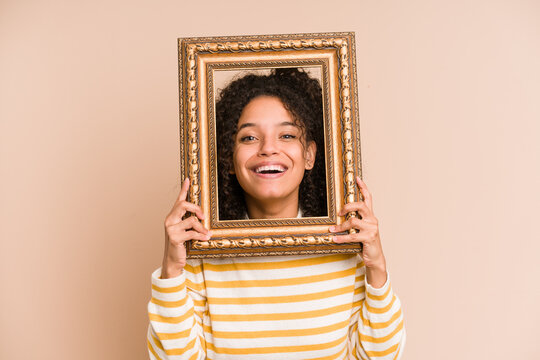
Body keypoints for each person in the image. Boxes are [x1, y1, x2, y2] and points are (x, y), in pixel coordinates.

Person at [147, 68, 405, 359]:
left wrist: (377, 268)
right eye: (248, 138)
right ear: (228, 160)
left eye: (286, 135)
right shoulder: (202, 255)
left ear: (309, 155)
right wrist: (171, 270)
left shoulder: (345, 247)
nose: (268, 149)